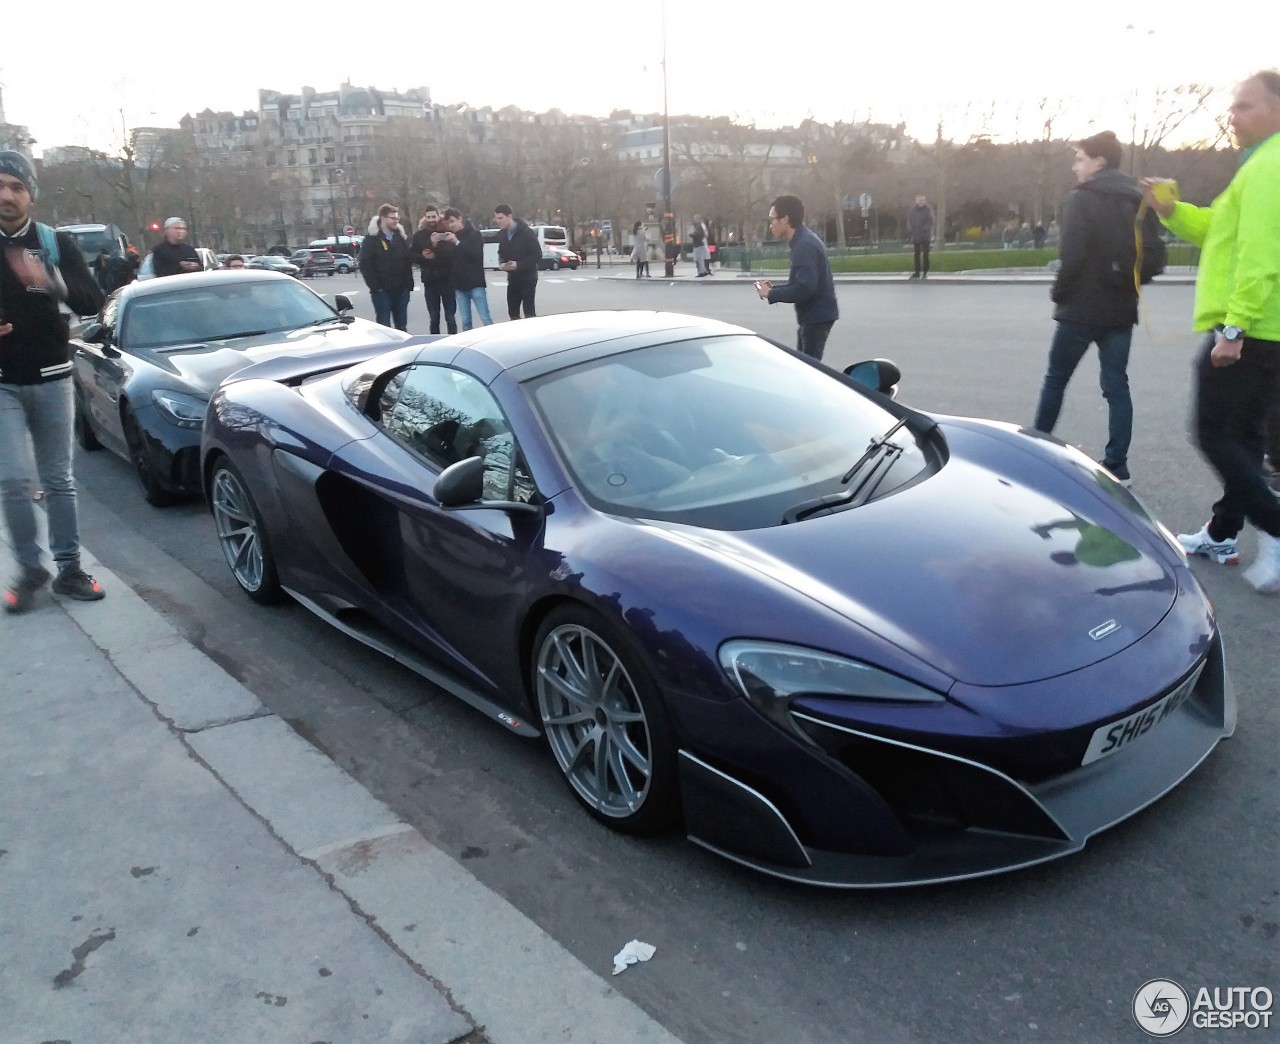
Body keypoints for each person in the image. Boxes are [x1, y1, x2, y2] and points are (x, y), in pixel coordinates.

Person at [1143, 71, 1280, 593]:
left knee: (1214, 434)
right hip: (1259, 327)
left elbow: (1261, 255)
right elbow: (1219, 232)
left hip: (1251, 328)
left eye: (1244, 106)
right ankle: (1223, 533)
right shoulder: (1255, 167)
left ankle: (1275, 527)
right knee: (1244, 438)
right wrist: (1172, 211)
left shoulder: (1269, 167)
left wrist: (1234, 327)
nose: (1233, 114)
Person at [0, 150, 107, 612]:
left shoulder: (52, 241)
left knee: (59, 479)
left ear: (31, 195)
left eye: (16, 187)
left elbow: (91, 302)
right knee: (12, 480)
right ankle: (30, 569)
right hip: (2, 380)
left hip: (52, 376)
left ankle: (68, 569)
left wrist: (52, 279)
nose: (6, 195)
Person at [1032, 130, 1145, 486]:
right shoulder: (1137, 198)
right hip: (1121, 308)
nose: (1074, 166)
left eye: (1079, 158)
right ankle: (1118, 465)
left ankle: (1036, 451)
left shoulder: (1080, 200)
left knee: (1056, 379)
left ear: (1099, 162)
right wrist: (1129, 280)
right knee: (1116, 386)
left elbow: (1072, 257)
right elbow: (1154, 254)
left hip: (1080, 308)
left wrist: (1059, 294)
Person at [754, 195, 839, 360]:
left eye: (772, 220)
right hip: (816, 315)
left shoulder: (804, 245)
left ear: (785, 219)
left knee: (809, 369)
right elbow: (801, 283)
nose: (771, 224)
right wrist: (774, 290)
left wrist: (771, 294)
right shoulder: (803, 240)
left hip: (816, 316)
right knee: (805, 364)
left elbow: (805, 288)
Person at [358, 203, 414, 331]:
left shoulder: (400, 237)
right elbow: (365, 264)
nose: (396, 221)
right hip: (382, 291)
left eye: (397, 219)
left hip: (401, 290)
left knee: (402, 327)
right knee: (384, 327)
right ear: (383, 218)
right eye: (392, 218)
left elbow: (407, 261)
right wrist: (376, 287)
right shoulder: (371, 239)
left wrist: (408, 285)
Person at [440, 208, 492, 331]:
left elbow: (475, 255)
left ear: (460, 218)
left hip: (475, 283)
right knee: (466, 322)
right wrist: (436, 244)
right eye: (448, 223)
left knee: (485, 319)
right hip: (459, 285)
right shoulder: (450, 238)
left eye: (453, 221)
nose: (451, 225)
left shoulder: (474, 234)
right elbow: (447, 261)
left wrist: (457, 242)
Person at [409, 206, 456, 334]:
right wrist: (423, 256)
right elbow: (412, 256)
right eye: (428, 217)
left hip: (448, 281)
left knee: (450, 317)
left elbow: (451, 254)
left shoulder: (446, 232)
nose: (431, 220)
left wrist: (435, 246)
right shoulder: (419, 235)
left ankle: (454, 342)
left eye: (433, 216)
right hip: (430, 282)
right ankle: (434, 342)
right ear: (425, 218)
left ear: (438, 216)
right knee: (434, 318)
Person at [493, 204, 541, 320]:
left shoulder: (526, 232)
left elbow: (537, 255)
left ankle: (533, 335)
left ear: (509, 216)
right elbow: (501, 252)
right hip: (513, 278)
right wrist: (502, 263)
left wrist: (518, 265)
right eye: (496, 218)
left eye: (500, 218)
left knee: (529, 311)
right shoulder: (503, 234)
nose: (498, 221)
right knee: (512, 311)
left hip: (528, 277)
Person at [907, 193, 934, 280]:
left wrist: (924, 230)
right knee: (916, 254)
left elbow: (930, 221)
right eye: (919, 200)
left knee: (926, 254)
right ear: (916, 200)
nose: (921, 202)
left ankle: (925, 272)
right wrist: (911, 230)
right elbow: (909, 221)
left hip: (925, 236)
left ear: (925, 201)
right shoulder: (912, 211)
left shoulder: (928, 210)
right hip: (916, 236)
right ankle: (917, 272)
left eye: (922, 200)